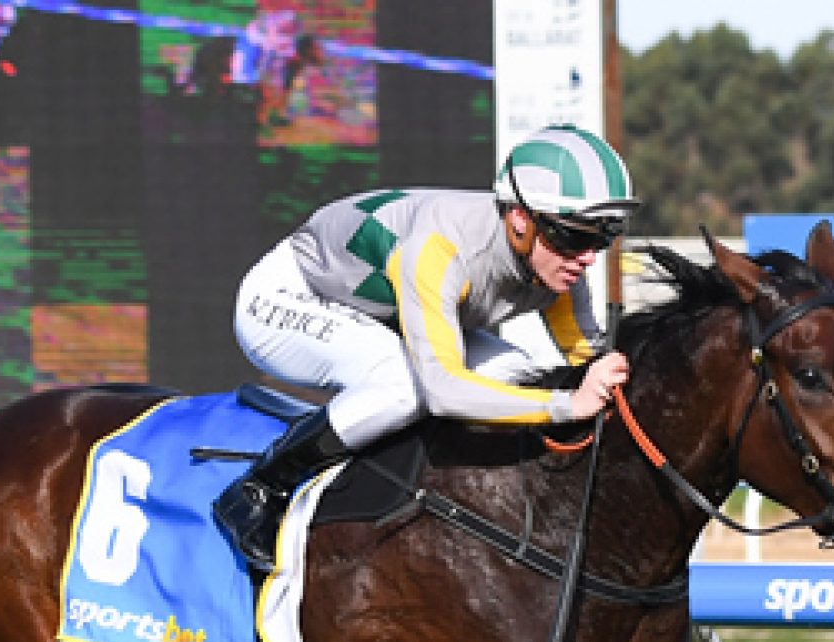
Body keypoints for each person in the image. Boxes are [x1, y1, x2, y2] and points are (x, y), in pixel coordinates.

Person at [213, 124, 639, 571]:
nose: (589, 257)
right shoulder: (442, 247)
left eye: (601, 238)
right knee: (403, 386)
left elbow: (593, 362)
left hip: (385, 315)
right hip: (289, 297)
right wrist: (566, 405)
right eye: (575, 236)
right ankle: (260, 487)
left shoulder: (558, 265)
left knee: (515, 369)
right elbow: (444, 390)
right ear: (519, 218)